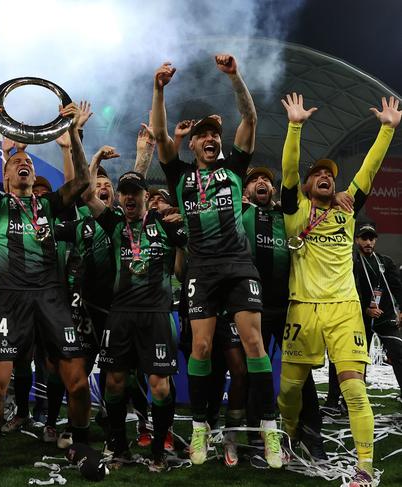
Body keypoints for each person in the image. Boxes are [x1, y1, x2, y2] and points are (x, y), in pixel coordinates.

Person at [152, 55, 281, 468]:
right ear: (191, 144)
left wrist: (235, 76)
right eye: (202, 135)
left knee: (254, 344)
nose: (210, 138)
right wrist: (159, 89)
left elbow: (250, 117)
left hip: (239, 266)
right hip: (202, 271)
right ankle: (202, 426)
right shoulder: (180, 176)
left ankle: (269, 429)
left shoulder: (235, 169)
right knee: (203, 347)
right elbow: (158, 134)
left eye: (214, 134)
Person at [277, 93, 400, 487]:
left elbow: (369, 169)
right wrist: (295, 126)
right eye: (319, 174)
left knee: (353, 387)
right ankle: (289, 437)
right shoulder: (295, 210)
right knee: (290, 390)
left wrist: (386, 130)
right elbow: (289, 171)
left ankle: (364, 466)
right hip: (302, 309)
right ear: (309, 183)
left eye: (330, 173)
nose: (326, 176)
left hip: (345, 308)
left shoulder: (346, 209)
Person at [0, 99, 91, 477]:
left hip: (52, 297)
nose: (24, 163)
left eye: (30, 162)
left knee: (79, 382)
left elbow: (83, 182)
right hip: (11, 299)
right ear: (5, 177)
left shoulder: (49, 205)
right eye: (17, 162)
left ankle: (81, 445)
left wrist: (72, 133)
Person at [82, 167, 187, 472]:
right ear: (120, 196)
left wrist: (182, 242)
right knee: (115, 383)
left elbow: (180, 273)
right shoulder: (114, 222)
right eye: (124, 191)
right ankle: (119, 447)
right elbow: (87, 194)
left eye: (135, 191)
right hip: (121, 315)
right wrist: (97, 157)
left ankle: (158, 451)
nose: (129, 196)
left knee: (160, 387)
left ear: (145, 196)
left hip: (157, 313)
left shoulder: (163, 223)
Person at [242, 166, 327, 463]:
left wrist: (339, 194)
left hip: (291, 308)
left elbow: (313, 200)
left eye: (265, 179)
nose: (260, 182)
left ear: (274, 189)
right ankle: (256, 441)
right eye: (253, 180)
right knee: (257, 377)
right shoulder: (241, 214)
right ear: (245, 192)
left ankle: (310, 438)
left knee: (303, 377)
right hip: (254, 309)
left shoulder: (287, 216)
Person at [353, 223, 402, 395]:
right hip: (359, 318)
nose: (368, 242)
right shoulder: (352, 261)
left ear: (375, 240)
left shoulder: (385, 262)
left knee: (398, 351)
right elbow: (349, 289)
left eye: (371, 238)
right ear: (356, 239)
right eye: (364, 238)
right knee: (357, 359)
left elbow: (397, 288)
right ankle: (348, 399)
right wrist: (365, 309)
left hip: (384, 316)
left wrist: (401, 310)